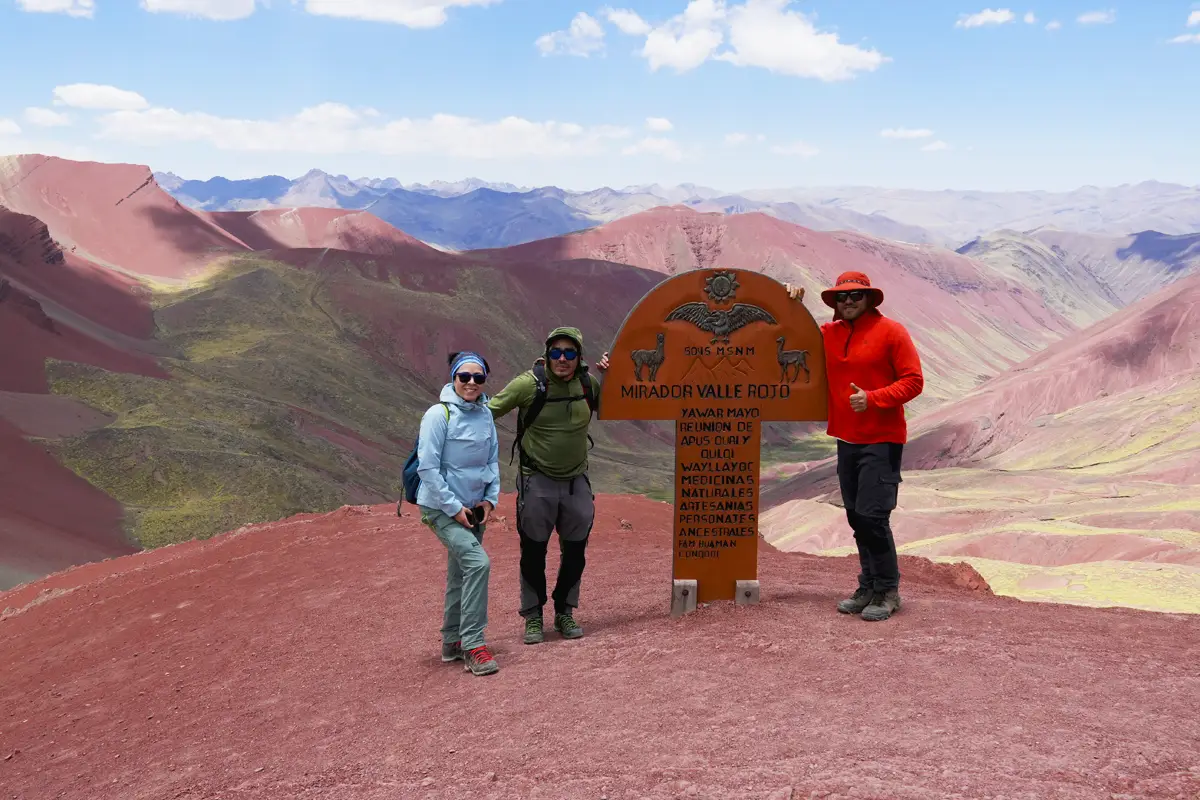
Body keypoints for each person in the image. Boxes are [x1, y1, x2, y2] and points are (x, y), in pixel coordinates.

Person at [787, 272, 924, 621]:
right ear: (834, 302)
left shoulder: (893, 332)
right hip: (846, 439)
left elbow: (913, 381)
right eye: (841, 296)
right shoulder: (828, 334)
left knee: (873, 518)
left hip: (882, 440)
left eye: (855, 296)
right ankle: (867, 585)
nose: (848, 301)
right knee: (855, 516)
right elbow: (788, 337)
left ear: (869, 299)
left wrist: (874, 398)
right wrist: (790, 301)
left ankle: (887, 591)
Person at [488, 327, 609, 644]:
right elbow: (488, 412)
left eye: (570, 353)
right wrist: (448, 415)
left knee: (576, 551)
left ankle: (565, 612)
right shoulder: (529, 385)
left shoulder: (587, 385)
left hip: (576, 481)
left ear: (579, 357)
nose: (563, 359)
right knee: (533, 551)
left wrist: (611, 375)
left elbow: (613, 406)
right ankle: (533, 616)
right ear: (546, 354)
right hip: (536, 481)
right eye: (556, 352)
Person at [416, 351, 501, 675]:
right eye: (464, 377)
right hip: (440, 508)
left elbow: (491, 461)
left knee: (460, 573)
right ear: (453, 378)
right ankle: (473, 645)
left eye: (477, 378)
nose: (470, 383)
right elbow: (427, 467)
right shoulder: (438, 415)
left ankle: (451, 642)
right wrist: (453, 509)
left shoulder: (485, 415)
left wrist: (490, 500)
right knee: (478, 564)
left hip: (474, 509)